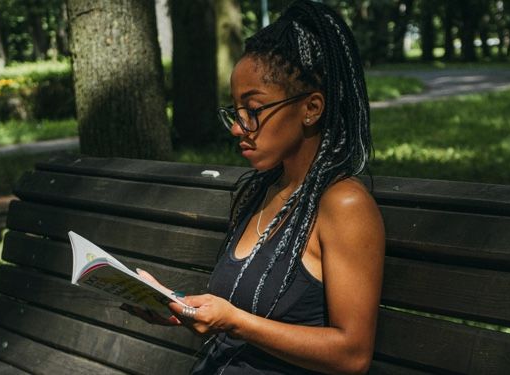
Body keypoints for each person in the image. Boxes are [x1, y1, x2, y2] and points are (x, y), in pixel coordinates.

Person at [123, 1, 384, 373]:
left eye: (254, 110)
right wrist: (174, 305)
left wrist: (233, 321)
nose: (236, 127)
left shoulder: (343, 204)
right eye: (234, 110)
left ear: (311, 108)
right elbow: (237, 309)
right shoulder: (262, 191)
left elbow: (352, 354)